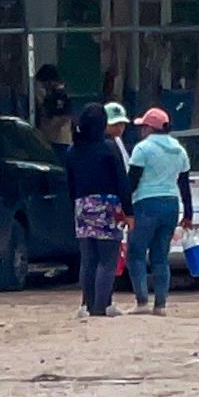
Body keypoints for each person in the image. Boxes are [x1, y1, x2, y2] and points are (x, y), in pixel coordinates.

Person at [65, 103, 132, 319]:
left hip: (82, 206)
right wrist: (129, 211)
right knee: (107, 259)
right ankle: (102, 306)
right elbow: (122, 181)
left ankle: (87, 304)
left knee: (88, 260)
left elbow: (70, 185)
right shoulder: (109, 148)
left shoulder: (72, 150)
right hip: (107, 206)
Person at [125, 106, 193, 316]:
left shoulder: (142, 149)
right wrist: (188, 214)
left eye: (143, 127)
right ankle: (160, 305)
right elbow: (184, 185)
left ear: (149, 128)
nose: (141, 131)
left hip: (145, 203)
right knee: (161, 256)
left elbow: (132, 181)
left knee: (136, 253)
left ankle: (142, 301)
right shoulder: (180, 150)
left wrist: (124, 206)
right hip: (171, 204)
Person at [35, 64, 73, 154]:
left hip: (59, 141)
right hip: (51, 140)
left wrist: (47, 131)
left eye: (43, 84)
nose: (43, 87)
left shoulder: (60, 95)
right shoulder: (49, 97)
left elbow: (62, 118)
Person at [104, 102, 133, 167]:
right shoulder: (97, 144)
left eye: (122, 124)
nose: (119, 128)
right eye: (115, 124)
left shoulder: (118, 141)